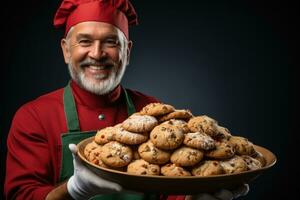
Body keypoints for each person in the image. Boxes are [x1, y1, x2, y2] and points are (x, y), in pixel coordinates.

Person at [4, 0, 249, 199]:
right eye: (85, 41)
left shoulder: (154, 114)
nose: (97, 54)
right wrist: (73, 190)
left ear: (127, 52)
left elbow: (170, 185)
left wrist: (193, 197)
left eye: (111, 42)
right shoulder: (34, 117)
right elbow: (21, 195)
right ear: (66, 50)